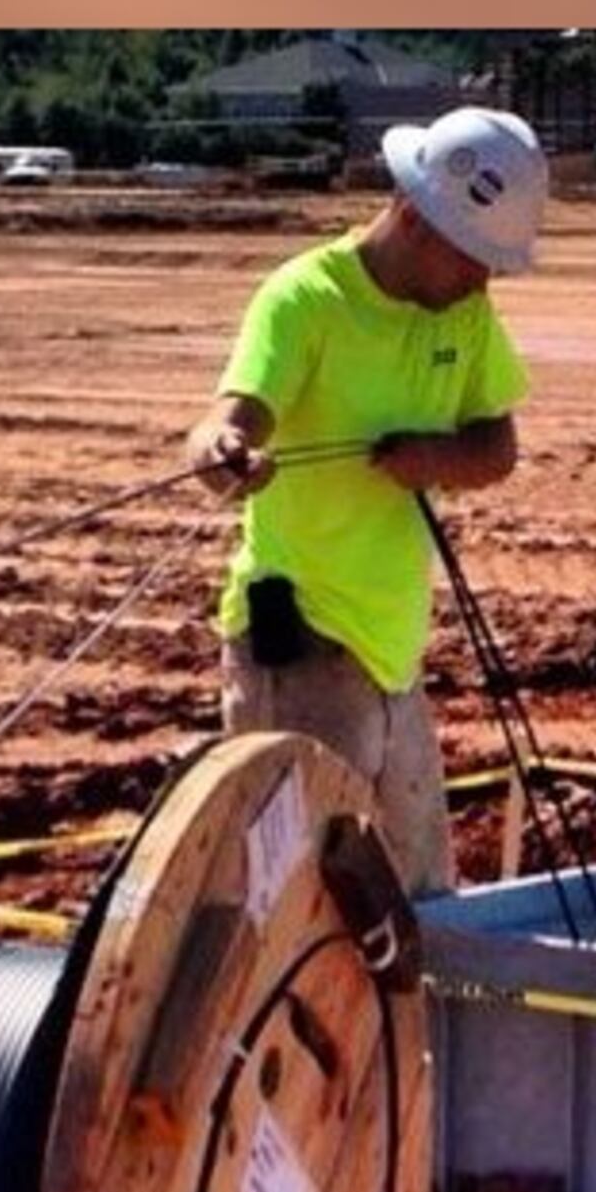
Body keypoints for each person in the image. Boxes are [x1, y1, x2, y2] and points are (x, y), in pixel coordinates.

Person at [184, 105, 547, 895]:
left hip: (393, 656)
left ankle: (417, 1021)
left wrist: (435, 457)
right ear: (416, 218)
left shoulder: (466, 315)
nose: (485, 279)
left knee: (422, 894)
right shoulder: (304, 299)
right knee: (300, 902)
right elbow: (229, 420)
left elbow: (497, 449)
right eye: (474, 257)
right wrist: (222, 455)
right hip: (302, 651)